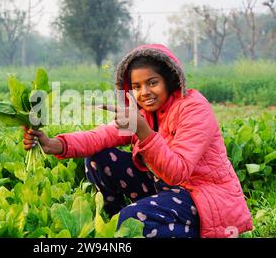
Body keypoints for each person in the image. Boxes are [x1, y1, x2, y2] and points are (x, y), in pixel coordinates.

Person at [22, 44, 253, 238]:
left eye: (152, 83)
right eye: (136, 87)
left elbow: (178, 172)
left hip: (200, 198)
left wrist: (143, 132)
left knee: (132, 220)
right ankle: (116, 219)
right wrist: (56, 144)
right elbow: (101, 136)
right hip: (163, 188)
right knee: (98, 157)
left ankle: (141, 221)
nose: (144, 92)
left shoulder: (193, 108)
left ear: (170, 80)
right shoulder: (143, 112)